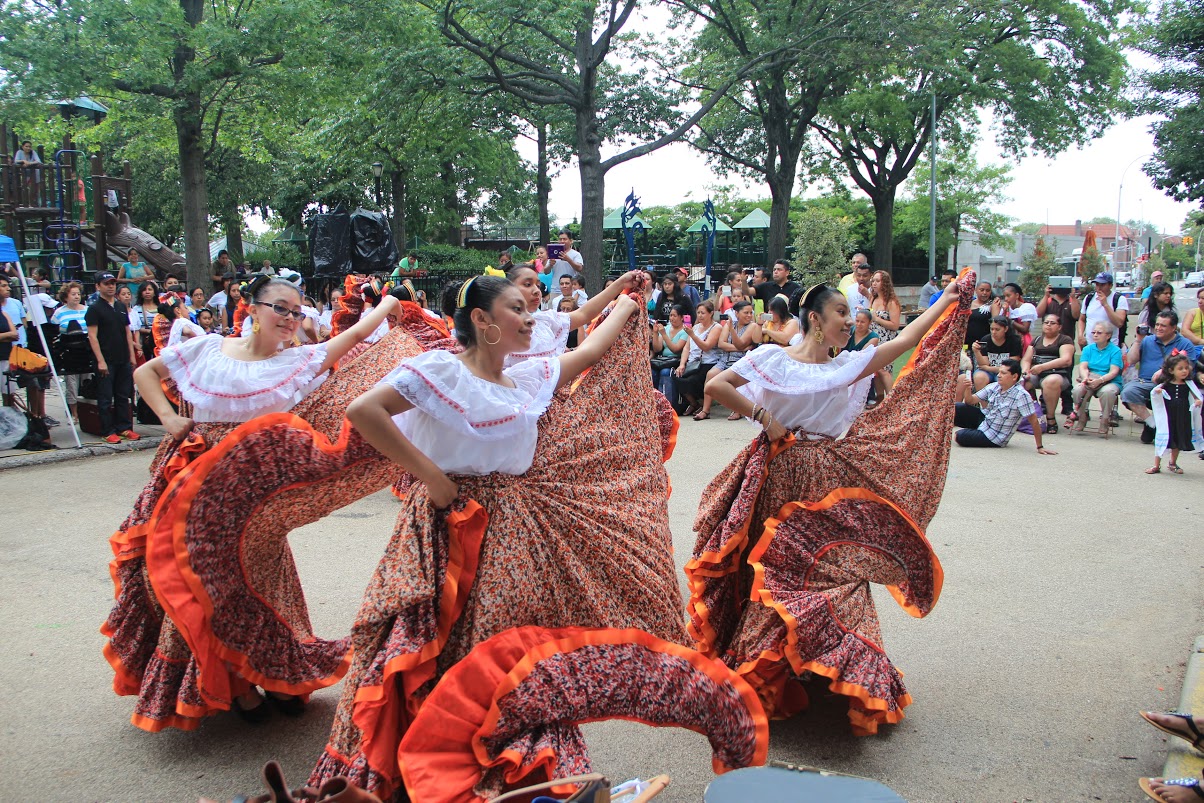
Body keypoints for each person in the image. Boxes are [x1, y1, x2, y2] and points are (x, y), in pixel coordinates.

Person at [300, 276, 684, 797]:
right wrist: (433, 479)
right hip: (447, 527)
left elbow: (592, 350)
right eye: (517, 308)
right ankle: (434, 761)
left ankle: (512, 768)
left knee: (505, 654)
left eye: (530, 309)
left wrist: (627, 298)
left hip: (510, 533)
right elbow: (364, 411)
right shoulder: (440, 370)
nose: (530, 318)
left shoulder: (526, 379)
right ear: (481, 319)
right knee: (440, 644)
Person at [101, 275, 403, 733]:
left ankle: (273, 671)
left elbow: (358, 335)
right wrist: (169, 418)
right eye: (280, 307)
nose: (289, 318)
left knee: (255, 580)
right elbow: (146, 373)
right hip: (193, 482)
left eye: (296, 312)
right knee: (202, 580)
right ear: (252, 307)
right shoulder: (207, 349)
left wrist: (389, 305)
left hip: (251, 497)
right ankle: (235, 683)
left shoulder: (299, 361)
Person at [689, 271, 975, 737]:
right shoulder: (772, 357)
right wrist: (765, 417)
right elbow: (717, 386)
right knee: (771, 573)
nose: (850, 318)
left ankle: (826, 663)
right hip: (775, 474)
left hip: (822, 480)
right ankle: (772, 665)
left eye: (850, 311)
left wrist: (947, 299)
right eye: (841, 311)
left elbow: (906, 339)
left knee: (830, 571)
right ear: (815, 319)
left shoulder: (848, 366)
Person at [504, 264, 639, 368]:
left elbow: (583, 313)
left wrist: (621, 283)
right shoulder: (498, 330)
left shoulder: (545, 320)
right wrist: (623, 306)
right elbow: (588, 353)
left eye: (538, 285)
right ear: (507, 289)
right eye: (528, 284)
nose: (536, 291)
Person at [1122, 310, 1198, 443]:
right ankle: (1153, 425)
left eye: (1163, 325)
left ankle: (1160, 427)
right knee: (1128, 392)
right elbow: (1131, 360)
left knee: (1175, 396)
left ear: (1173, 328)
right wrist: (1138, 340)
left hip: (1171, 383)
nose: (1158, 328)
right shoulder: (1147, 340)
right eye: (1157, 324)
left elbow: (1189, 369)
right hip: (1145, 382)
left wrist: (1166, 371)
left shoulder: (1185, 344)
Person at [954, 359, 1056, 452]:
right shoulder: (994, 386)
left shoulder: (1021, 395)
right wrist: (968, 388)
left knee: (958, 436)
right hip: (985, 421)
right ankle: (972, 432)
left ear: (1014, 377)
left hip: (995, 436)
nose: (999, 375)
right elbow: (970, 401)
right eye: (999, 372)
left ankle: (973, 433)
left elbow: (1034, 421)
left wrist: (1040, 447)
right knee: (956, 408)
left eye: (1003, 373)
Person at [85, 273, 139, 443]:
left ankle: (124, 427)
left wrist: (131, 355)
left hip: (123, 357)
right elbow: (92, 336)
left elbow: (127, 332)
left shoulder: (120, 306)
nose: (110, 286)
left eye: (113, 283)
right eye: (106, 283)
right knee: (106, 397)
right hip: (106, 358)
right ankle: (107, 430)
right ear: (98, 286)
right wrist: (100, 360)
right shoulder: (94, 309)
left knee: (123, 394)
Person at [1144, 352, 1202, 475]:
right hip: (1168, 415)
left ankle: (1173, 463)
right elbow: (1155, 393)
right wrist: (1158, 392)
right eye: (1180, 368)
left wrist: (1197, 401)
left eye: (1186, 368)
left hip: (1183, 415)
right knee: (1163, 437)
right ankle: (1156, 465)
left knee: (1178, 438)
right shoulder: (1166, 384)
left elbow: (1196, 396)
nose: (1184, 371)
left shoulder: (1188, 384)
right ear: (1171, 370)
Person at [1021, 314, 1075, 432]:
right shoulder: (1036, 340)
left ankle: (1051, 418)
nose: (1048, 325)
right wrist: (1025, 371)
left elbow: (1066, 360)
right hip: (1036, 374)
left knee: (1050, 382)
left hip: (1058, 375)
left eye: (1052, 323)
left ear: (1059, 327)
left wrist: (1042, 367)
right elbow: (1026, 359)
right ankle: (1032, 416)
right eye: (1046, 322)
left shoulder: (1065, 340)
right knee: (1022, 383)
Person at [1070, 322, 1123, 436]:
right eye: (1093, 332)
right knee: (1077, 390)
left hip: (1109, 381)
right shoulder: (1088, 349)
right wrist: (1085, 378)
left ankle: (1105, 419)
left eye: (1099, 333)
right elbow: (1083, 367)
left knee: (1107, 392)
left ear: (1108, 336)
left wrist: (1100, 380)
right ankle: (1082, 417)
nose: (1095, 335)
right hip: (1090, 379)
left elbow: (1114, 371)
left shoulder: (1115, 351)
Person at [50, 282, 91, 420]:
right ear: (65, 296)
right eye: (73, 294)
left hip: (86, 350)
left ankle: (86, 411)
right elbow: (54, 332)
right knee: (71, 384)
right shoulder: (59, 312)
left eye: (78, 294)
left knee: (87, 381)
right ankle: (73, 413)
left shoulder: (87, 310)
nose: (77, 296)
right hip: (69, 352)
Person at [678, 299, 723, 419]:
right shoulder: (696, 327)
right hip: (692, 362)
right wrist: (682, 364)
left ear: (711, 313)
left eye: (703, 313)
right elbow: (687, 347)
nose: (700, 315)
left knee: (692, 381)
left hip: (707, 362)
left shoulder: (716, 327)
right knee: (676, 376)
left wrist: (692, 335)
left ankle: (703, 405)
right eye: (698, 313)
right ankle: (694, 404)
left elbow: (707, 346)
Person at [716, 300, 759, 419]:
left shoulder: (752, 326)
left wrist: (732, 331)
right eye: (746, 313)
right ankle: (706, 409)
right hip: (725, 359)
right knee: (710, 375)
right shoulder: (729, 324)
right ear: (737, 313)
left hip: (741, 360)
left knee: (731, 378)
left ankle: (737, 410)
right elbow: (721, 344)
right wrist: (740, 348)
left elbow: (740, 344)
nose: (749, 315)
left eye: (751, 312)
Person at [1077, 272, 1129, 348]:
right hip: (1090, 345)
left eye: (1102, 285)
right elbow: (1082, 319)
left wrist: (1105, 305)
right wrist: (1080, 335)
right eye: (1097, 284)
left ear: (1110, 286)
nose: (1099, 288)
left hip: (1111, 345)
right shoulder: (1089, 297)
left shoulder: (1119, 299)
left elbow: (1119, 323)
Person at [971, 316, 1023, 390]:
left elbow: (1012, 365)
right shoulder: (985, 339)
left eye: (997, 329)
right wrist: (976, 351)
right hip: (988, 371)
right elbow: (983, 364)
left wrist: (989, 368)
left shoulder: (1014, 340)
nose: (994, 332)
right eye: (992, 329)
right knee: (979, 377)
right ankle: (983, 397)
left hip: (1005, 371)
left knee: (1005, 378)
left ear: (1006, 329)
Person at [651, 305, 689, 407]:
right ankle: (653, 403)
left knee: (665, 372)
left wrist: (664, 335)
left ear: (681, 317)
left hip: (676, 360)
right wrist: (655, 333)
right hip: (664, 360)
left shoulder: (685, 331)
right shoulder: (667, 328)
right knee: (652, 372)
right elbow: (657, 348)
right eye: (671, 315)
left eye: (675, 316)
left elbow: (676, 349)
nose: (672, 318)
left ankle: (669, 404)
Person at [129, 281, 160, 361]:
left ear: (154, 292)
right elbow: (135, 327)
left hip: (159, 340)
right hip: (143, 340)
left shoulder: (161, 307)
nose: (147, 292)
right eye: (144, 290)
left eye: (150, 289)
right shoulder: (136, 309)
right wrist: (149, 331)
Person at [965, 280, 996, 347]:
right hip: (967, 341)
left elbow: (996, 322)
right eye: (982, 290)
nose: (984, 293)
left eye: (987, 290)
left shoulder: (993, 305)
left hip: (983, 342)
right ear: (976, 290)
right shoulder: (968, 303)